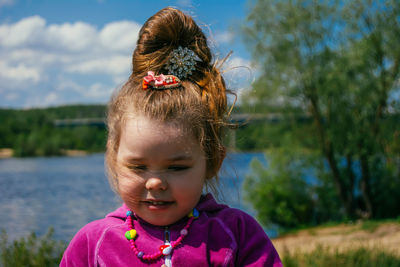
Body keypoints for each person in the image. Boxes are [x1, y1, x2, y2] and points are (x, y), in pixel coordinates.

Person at [60, 7, 282, 267]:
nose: (155, 183)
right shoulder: (92, 245)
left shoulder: (237, 234)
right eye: (138, 166)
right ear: (113, 160)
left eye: (177, 167)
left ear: (213, 162)